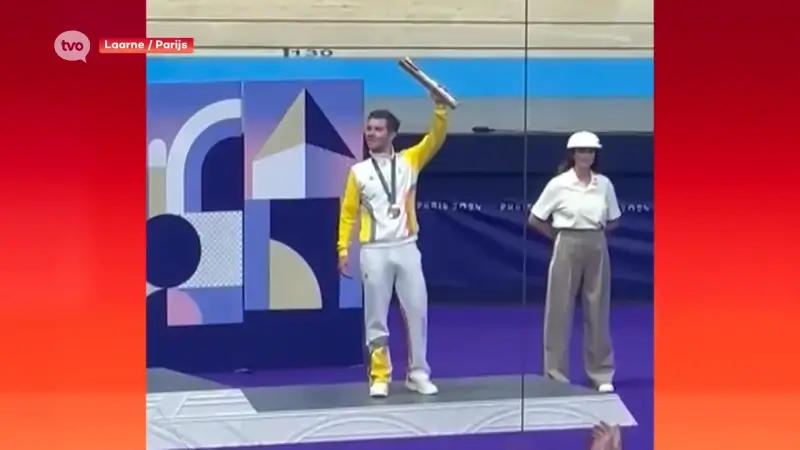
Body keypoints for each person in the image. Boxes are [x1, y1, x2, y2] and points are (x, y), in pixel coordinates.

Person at [337, 95, 450, 398]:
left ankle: (418, 373)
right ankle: (380, 375)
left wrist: (440, 109)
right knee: (375, 316)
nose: (370, 133)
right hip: (373, 250)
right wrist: (343, 249)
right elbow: (347, 213)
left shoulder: (410, 160)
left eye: (377, 129)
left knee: (417, 312)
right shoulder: (358, 172)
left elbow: (435, 139)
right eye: (368, 129)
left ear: (391, 134)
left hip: (407, 247)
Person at [528, 131, 621, 393]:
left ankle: (601, 374)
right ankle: (555, 374)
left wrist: (595, 234)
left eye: (590, 151)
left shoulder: (604, 184)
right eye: (581, 151)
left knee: (597, 310)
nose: (586, 155)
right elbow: (536, 217)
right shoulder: (559, 184)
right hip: (566, 243)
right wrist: (559, 237)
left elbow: (614, 218)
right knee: (558, 310)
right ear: (572, 154)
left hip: (596, 244)